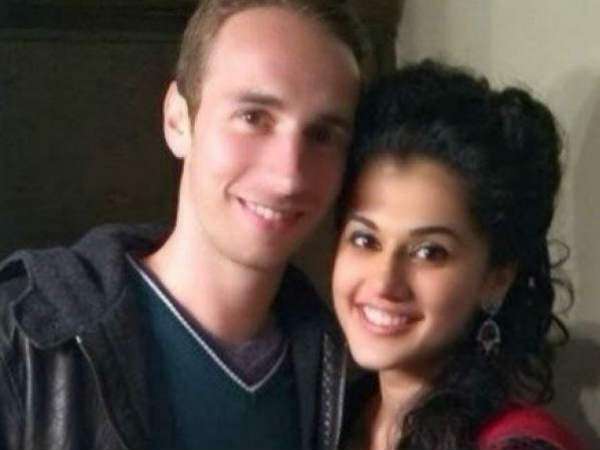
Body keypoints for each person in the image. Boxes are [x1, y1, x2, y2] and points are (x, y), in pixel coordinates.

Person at [0, 1, 368, 449]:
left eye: (323, 135)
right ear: (178, 120)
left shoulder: (343, 375)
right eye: (253, 117)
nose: (288, 176)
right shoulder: (22, 338)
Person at [332, 60, 586, 450]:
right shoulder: (339, 415)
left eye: (429, 252)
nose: (384, 281)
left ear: (496, 277)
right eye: (366, 240)